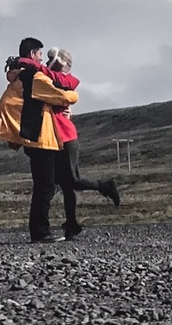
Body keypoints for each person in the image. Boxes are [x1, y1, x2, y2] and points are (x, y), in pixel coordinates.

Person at [0, 37, 79, 242]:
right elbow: (62, 96)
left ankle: (40, 230)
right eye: (40, 55)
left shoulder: (18, 79)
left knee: (43, 185)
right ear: (33, 54)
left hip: (31, 138)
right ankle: (40, 232)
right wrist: (73, 97)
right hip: (42, 138)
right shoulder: (35, 77)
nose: (42, 60)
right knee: (46, 186)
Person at [39, 47, 120, 240]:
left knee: (72, 180)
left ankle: (105, 186)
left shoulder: (63, 81)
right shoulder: (51, 81)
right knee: (66, 184)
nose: (49, 62)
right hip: (57, 138)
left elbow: (70, 82)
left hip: (66, 137)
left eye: (54, 60)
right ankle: (71, 225)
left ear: (64, 64)